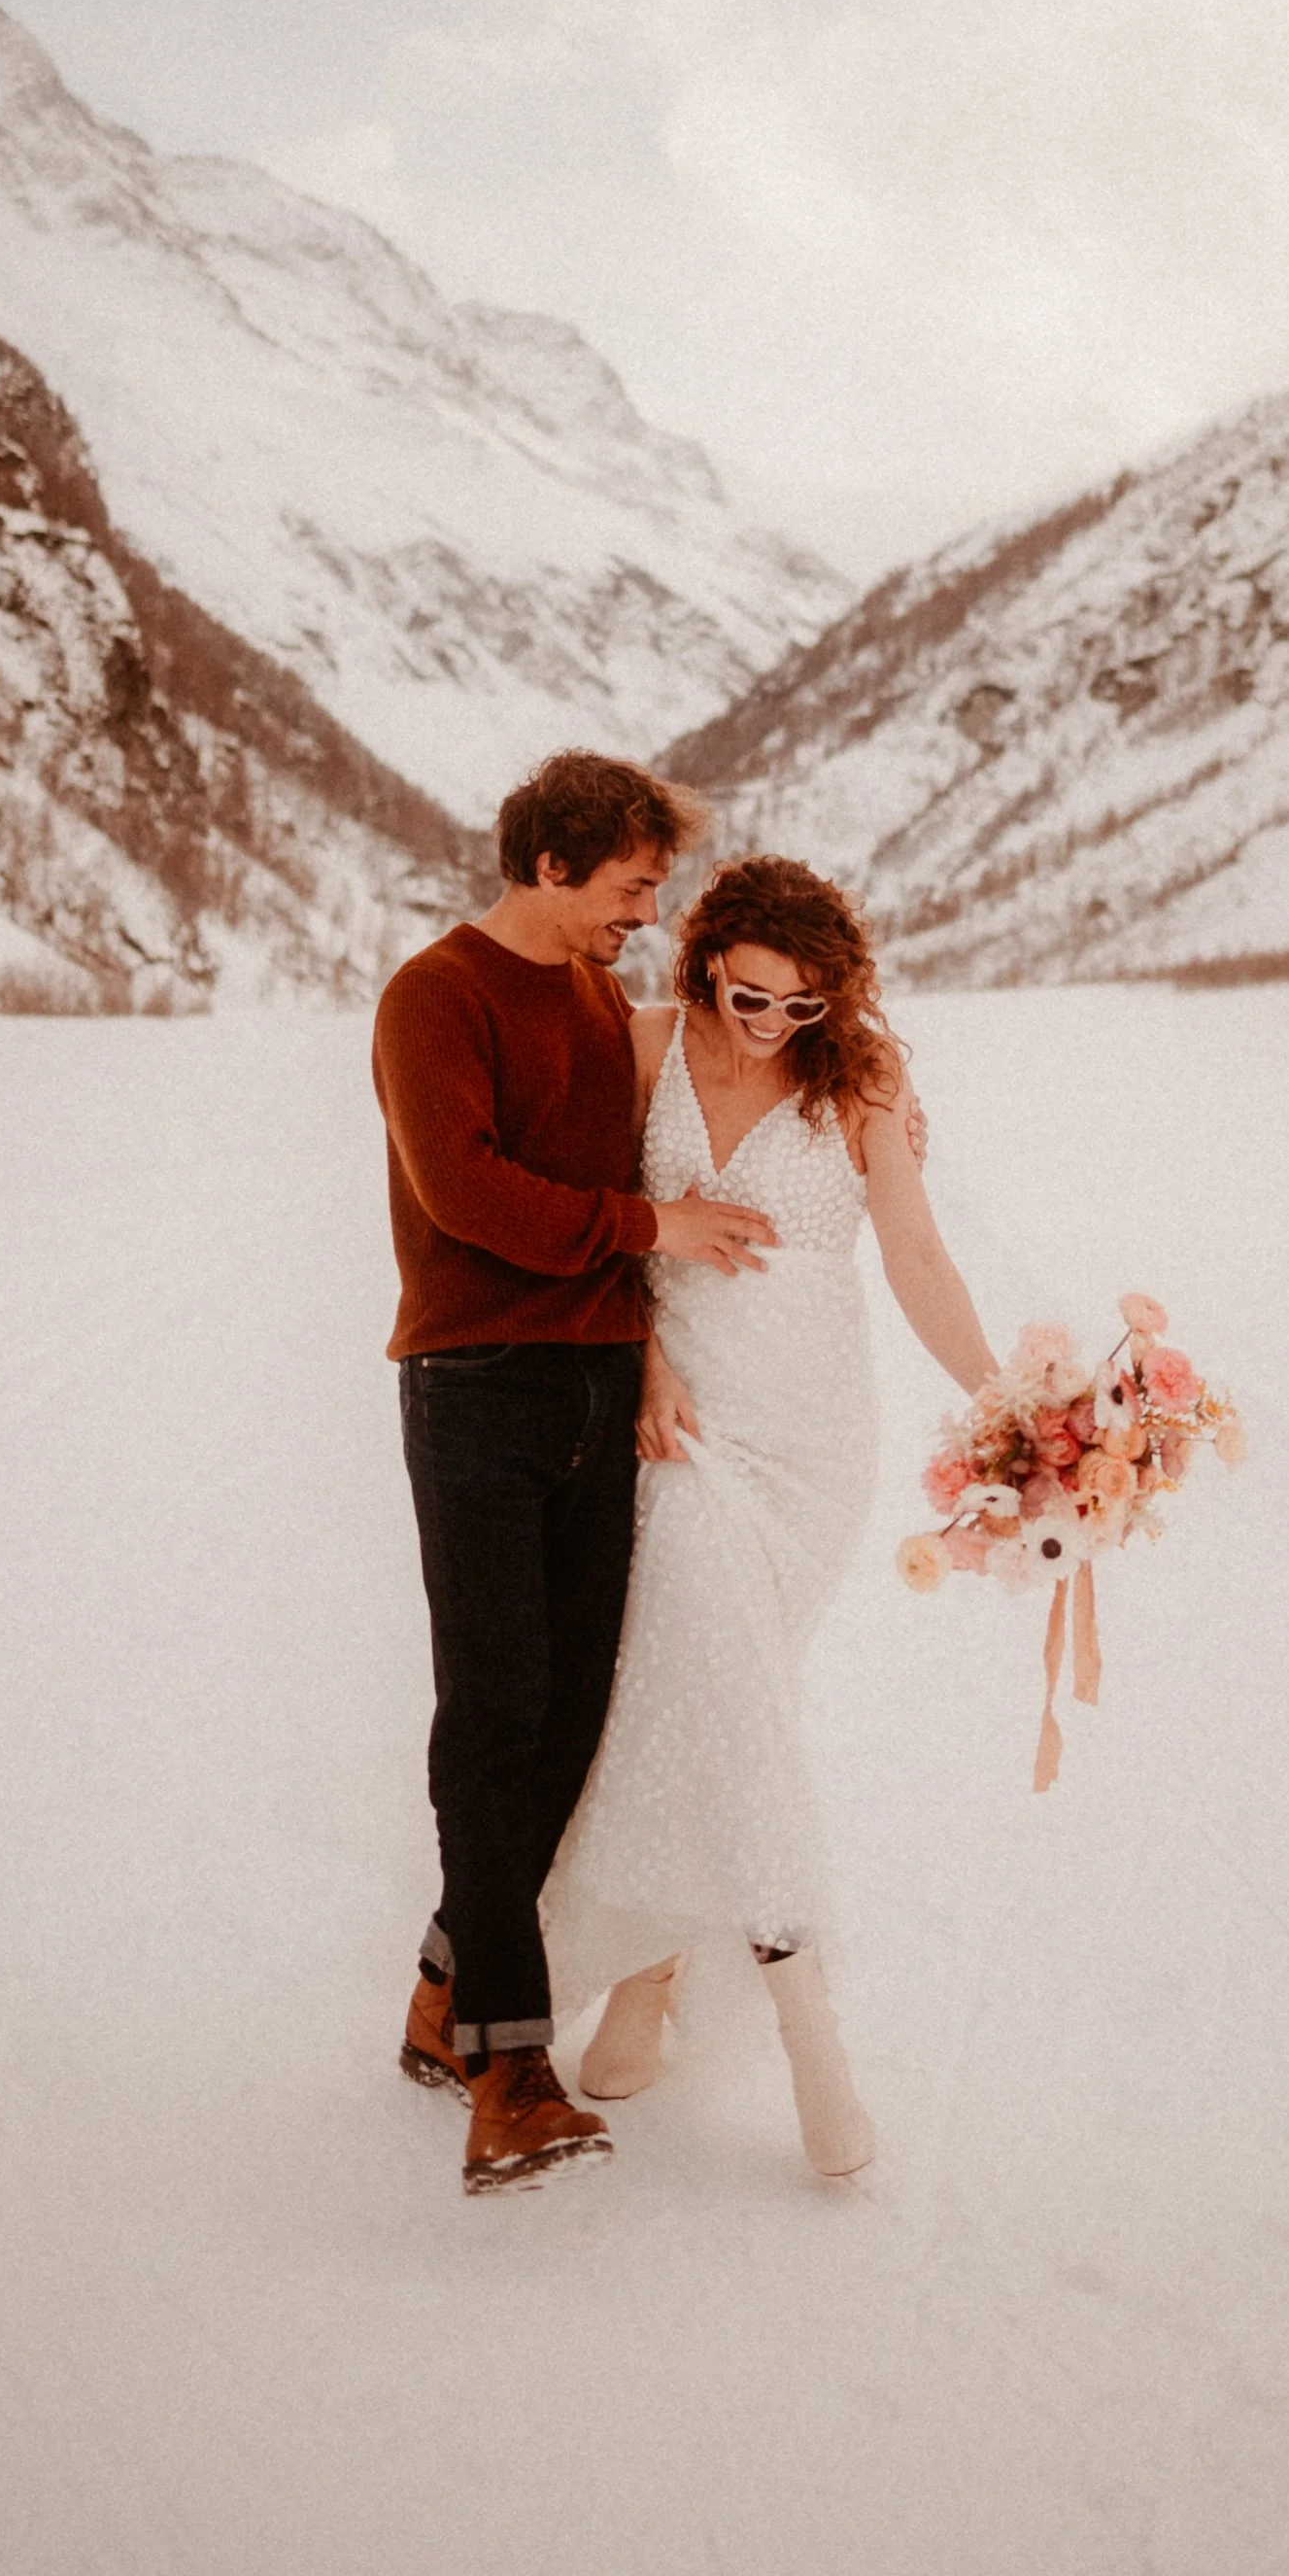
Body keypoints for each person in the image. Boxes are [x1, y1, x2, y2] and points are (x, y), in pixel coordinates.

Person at [542, 854, 996, 2179]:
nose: (769, 1025)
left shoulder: (859, 1078)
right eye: (749, 996)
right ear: (705, 961)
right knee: (699, 1665)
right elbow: (603, 1227)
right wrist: (641, 1356)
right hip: (682, 1419)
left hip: (811, 1440)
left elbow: (913, 1253)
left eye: (800, 1006)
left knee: (722, 1683)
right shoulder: (641, 1047)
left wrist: (1009, 1403)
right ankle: (801, 2027)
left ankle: (659, 1968)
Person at [371, 749, 779, 2196]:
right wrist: (650, 1227)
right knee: (491, 1716)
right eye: (627, 887)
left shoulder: (603, 1000)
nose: (642, 916)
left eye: (654, 891)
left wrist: (870, 1086)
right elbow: (464, 1190)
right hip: (476, 1385)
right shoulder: (436, 994)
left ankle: (447, 1981)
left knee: (569, 1719)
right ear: (550, 863)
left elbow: (740, 1037)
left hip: (599, 1388)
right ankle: (509, 2066)